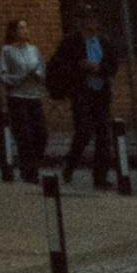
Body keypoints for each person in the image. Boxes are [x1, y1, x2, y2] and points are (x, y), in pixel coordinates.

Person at [48, 16, 121, 186]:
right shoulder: (71, 42)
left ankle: (100, 176)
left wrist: (99, 68)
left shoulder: (104, 42)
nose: (91, 25)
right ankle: (70, 165)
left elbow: (112, 65)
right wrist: (79, 67)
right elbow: (59, 65)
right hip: (81, 93)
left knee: (103, 135)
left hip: (100, 93)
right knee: (84, 131)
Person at [0, 14, 48, 181]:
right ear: (13, 31)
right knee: (24, 135)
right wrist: (19, 77)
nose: (24, 31)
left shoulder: (34, 49)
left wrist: (38, 75)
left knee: (41, 134)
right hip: (18, 97)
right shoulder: (7, 51)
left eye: (26, 27)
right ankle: (29, 171)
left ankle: (33, 164)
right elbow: (3, 75)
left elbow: (42, 70)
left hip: (34, 96)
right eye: (20, 28)